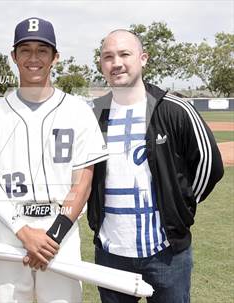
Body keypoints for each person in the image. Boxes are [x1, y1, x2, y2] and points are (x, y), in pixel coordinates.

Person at [87, 29, 224, 303]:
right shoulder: (92, 114)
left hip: (166, 253)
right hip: (111, 252)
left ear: (143, 58)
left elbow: (210, 165)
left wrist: (178, 206)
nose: (117, 63)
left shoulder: (173, 108)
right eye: (108, 57)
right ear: (101, 64)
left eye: (125, 54)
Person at [0, 17, 108, 303]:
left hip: (60, 234)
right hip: (11, 232)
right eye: (25, 50)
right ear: (13, 56)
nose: (33, 58)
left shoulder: (78, 111)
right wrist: (23, 232)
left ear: (55, 57)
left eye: (42, 50)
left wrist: (53, 237)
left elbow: (83, 181)